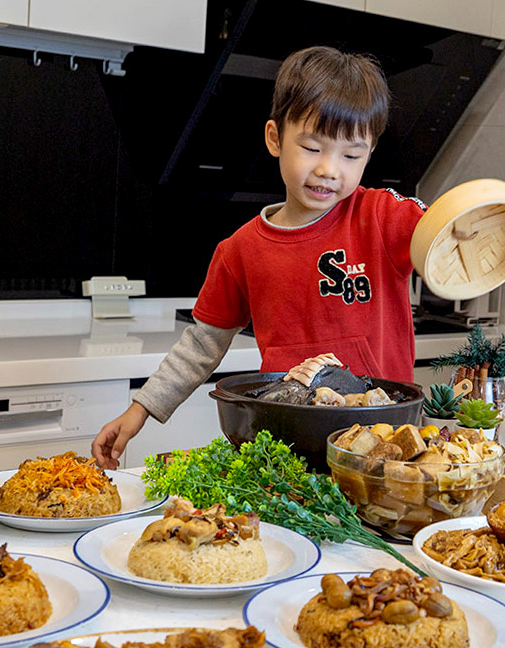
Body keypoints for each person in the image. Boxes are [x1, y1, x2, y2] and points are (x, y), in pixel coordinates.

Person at [91, 45, 427, 469]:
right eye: (311, 147)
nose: (329, 168)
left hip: (384, 447)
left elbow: (443, 233)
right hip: (287, 450)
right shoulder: (240, 251)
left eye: (351, 155)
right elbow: (200, 347)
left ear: (369, 154)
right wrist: (140, 410)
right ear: (275, 138)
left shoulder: (382, 215)